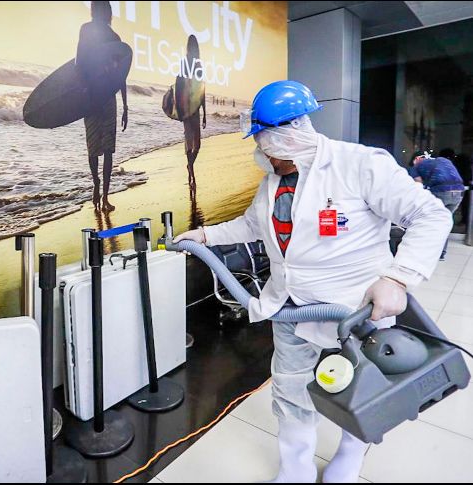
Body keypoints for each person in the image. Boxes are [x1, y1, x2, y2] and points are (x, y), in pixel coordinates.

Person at [175, 80, 452, 483]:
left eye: (265, 145)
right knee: (290, 392)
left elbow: (431, 215)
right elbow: (251, 224)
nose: (261, 154)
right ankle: (296, 468)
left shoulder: (360, 165)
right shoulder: (273, 182)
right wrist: (204, 236)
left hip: (355, 311)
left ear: (288, 136)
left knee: (359, 389)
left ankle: (350, 458)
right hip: (289, 310)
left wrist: (399, 278)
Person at [76, 1, 128, 212]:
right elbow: (120, 76)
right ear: (108, 13)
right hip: (105, 98)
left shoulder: (91, 31)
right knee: (105, 149)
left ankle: (100, 188)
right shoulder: (111, 37)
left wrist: (83, 91)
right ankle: (102, 192)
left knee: (96, 147)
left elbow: (80, 65)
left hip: (93, 98)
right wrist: (124, 105)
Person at [409, 154, 465, 259]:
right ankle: (441, 253)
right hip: (459, 191)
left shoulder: (416, 167)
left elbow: (418, 186)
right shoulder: (443, 160)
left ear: (417, 159)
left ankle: (428, 252)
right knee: (445, 222)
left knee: (432, 221)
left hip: (441, 191)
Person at [180, 34, 207, 187]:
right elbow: (180, 86)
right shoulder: (186, 64)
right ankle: (191, 170)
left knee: (196, 144)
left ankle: (190, 166)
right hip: (188, 108)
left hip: (192, 109)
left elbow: (201, 90)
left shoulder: (197, 65)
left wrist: (204, 114)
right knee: (190, 142)